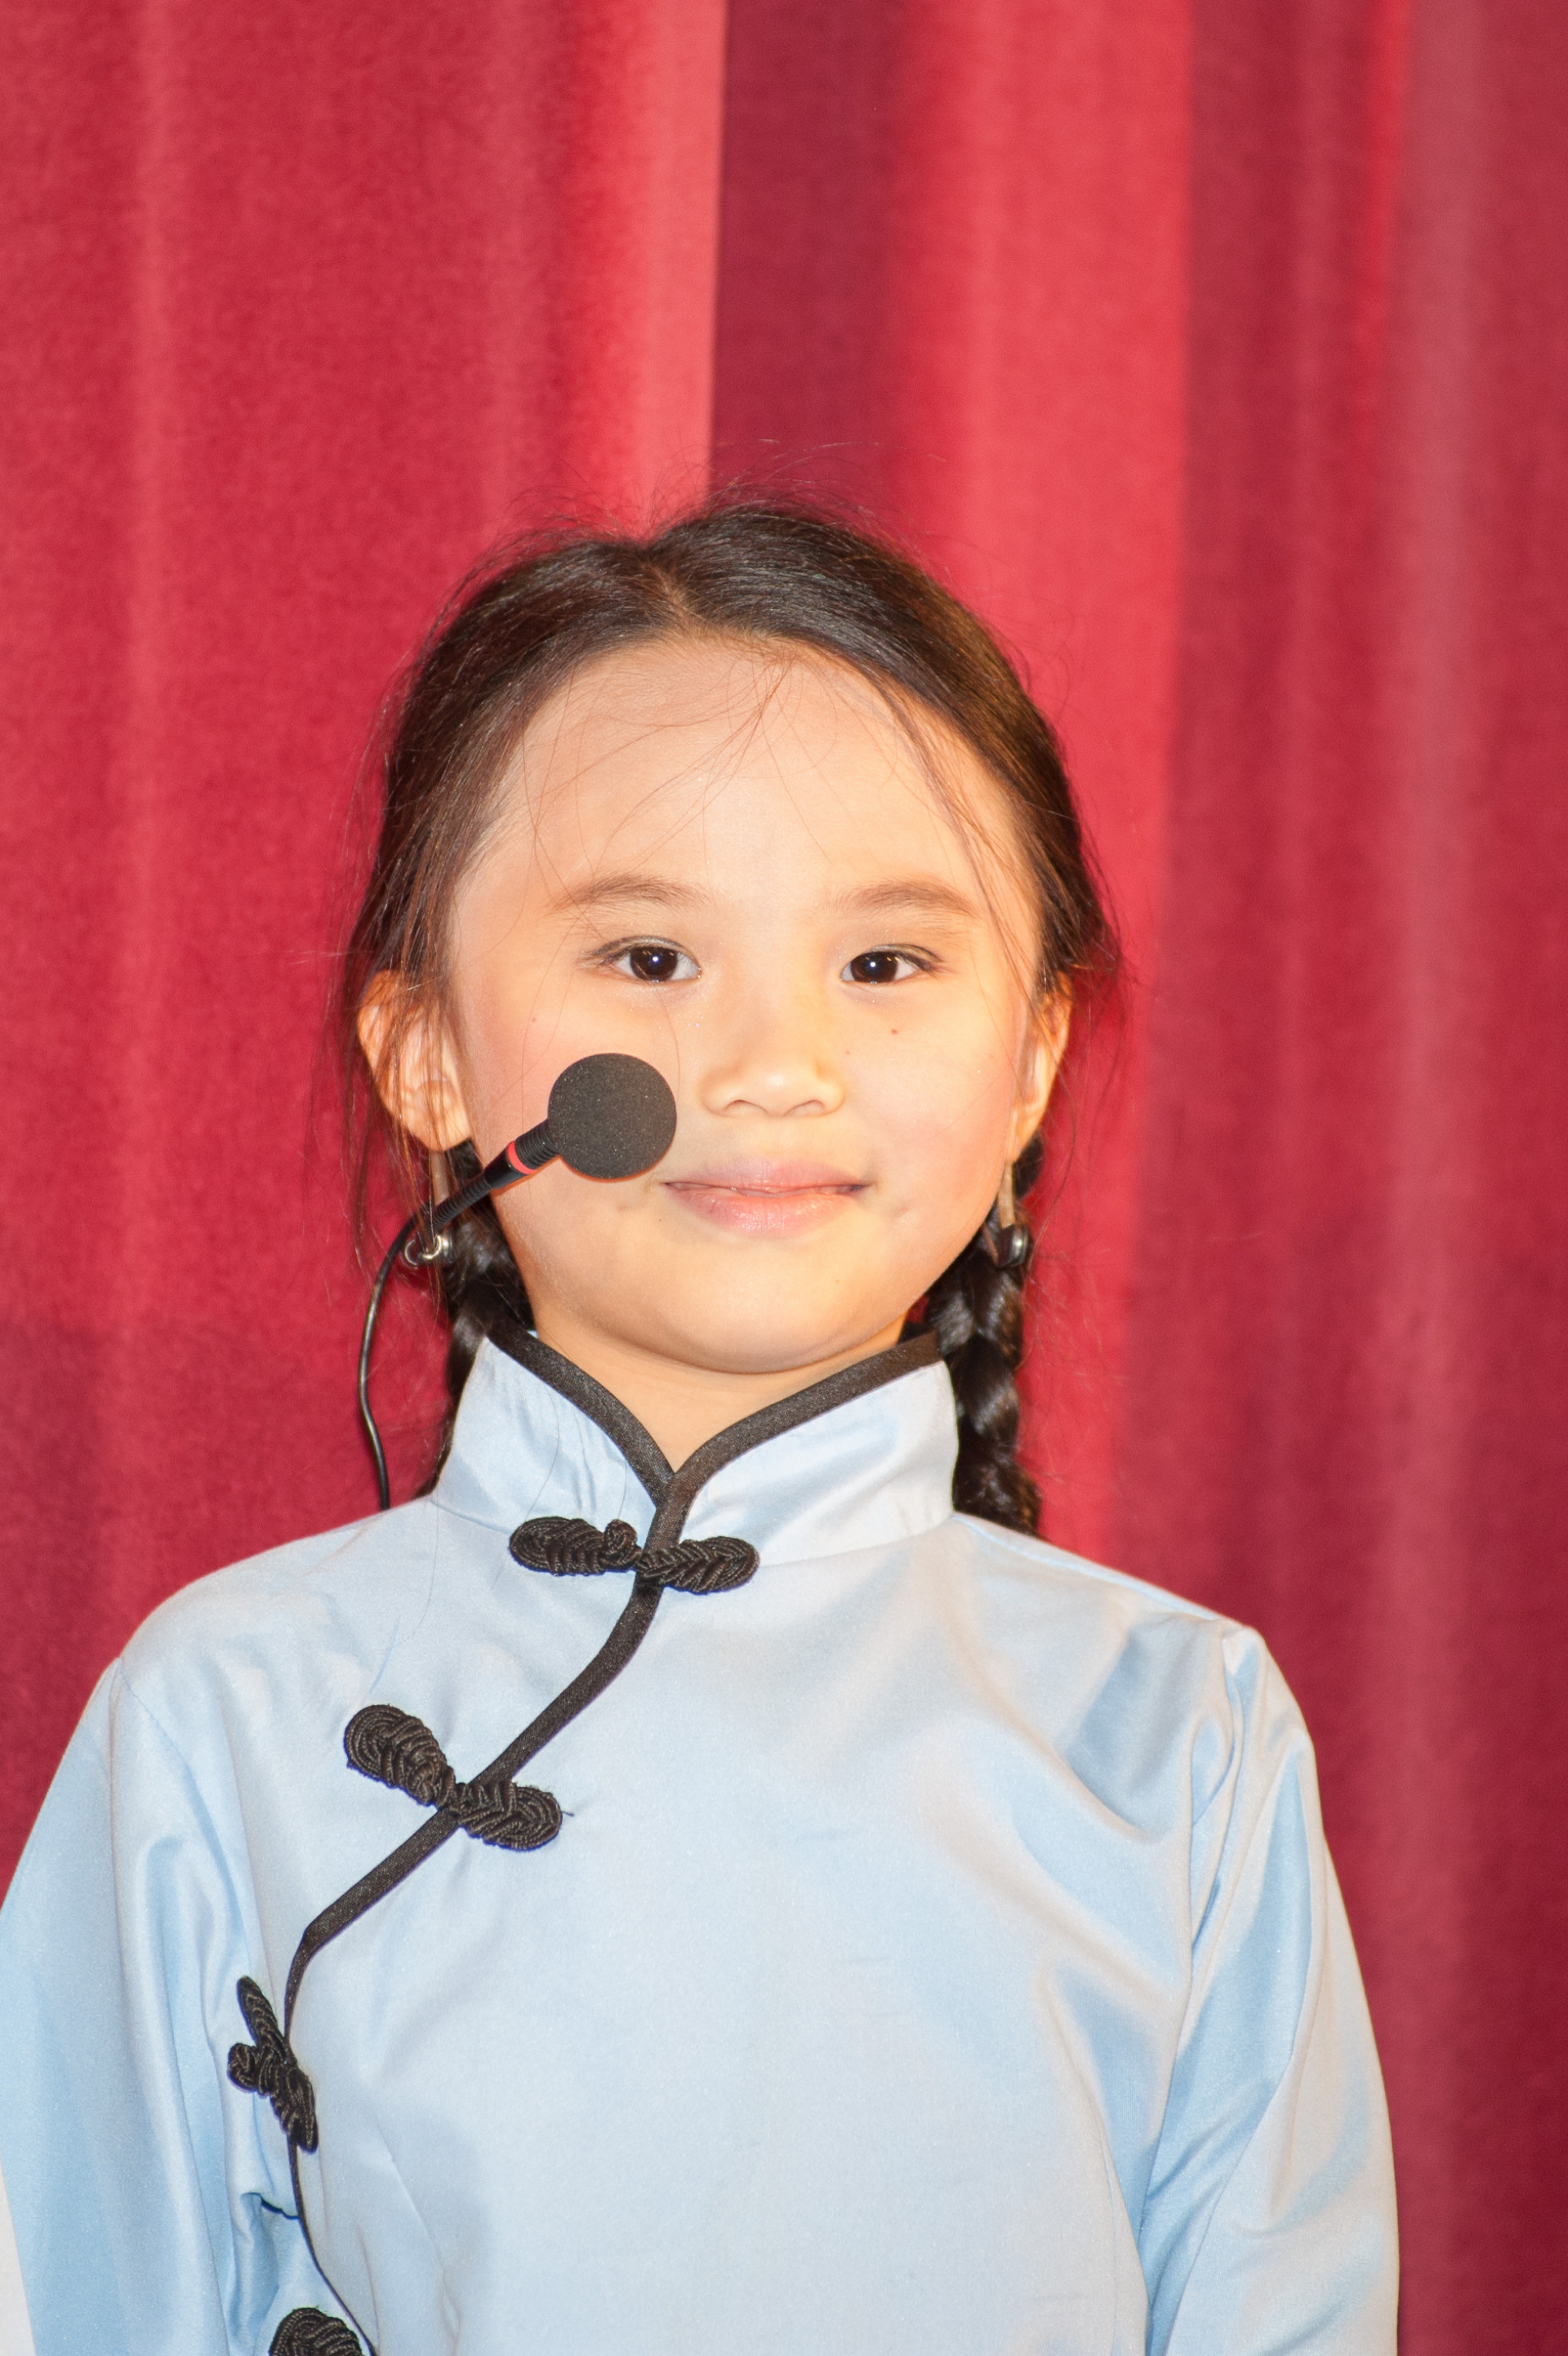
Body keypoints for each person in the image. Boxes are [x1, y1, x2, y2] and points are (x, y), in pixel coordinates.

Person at [0, 504, 1397, 2354]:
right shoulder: (219, 1714)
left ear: (1033, 1059)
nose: (771, 1068)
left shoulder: (1181, 1737)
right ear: (428, 1052)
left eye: (886, 966)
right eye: (650, 959)